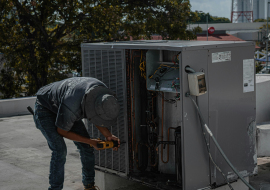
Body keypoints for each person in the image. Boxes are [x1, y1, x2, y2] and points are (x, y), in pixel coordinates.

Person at [33, 77, 120, 190]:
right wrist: (90, 141)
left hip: (65, 104)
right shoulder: (72, 106)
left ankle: (89, 186)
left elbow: (96, 114)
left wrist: (108, 136)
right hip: (44, 107)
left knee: (86, 148)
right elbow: (62, 131)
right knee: (60, 150)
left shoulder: (101, 92)